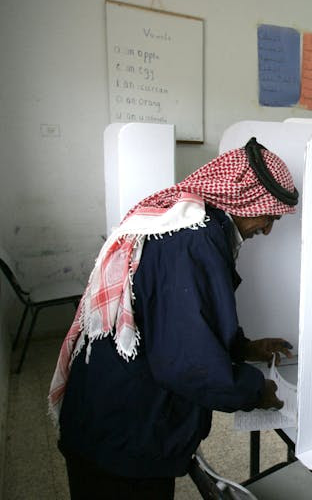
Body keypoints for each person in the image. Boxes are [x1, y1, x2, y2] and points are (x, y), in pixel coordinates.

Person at [48, 137, 298, 498]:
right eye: (270, 215)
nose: (268, 228)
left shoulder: (193, 223)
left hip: (111, 410)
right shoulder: (195, 242)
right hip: (124, 431)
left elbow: (176, 318)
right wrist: (255, 390)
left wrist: (244, 348)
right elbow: (187, 363)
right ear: (244, 199)